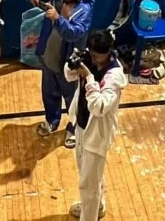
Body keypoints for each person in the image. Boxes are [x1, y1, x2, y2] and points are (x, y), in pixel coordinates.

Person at [29, 0, 94, 148]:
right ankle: (52, 121)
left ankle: (74, 129)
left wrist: (58, 19)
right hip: (49, 55)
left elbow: (75, 33)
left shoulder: (85, 9)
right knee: (49, 93)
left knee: (73, 99)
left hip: (69, 63)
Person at [67, 29, 127, 220]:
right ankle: (97, 207)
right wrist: (74, 63)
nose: (94, 61)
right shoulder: (88, 60)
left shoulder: (114, 75)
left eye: (97, 57)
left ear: (108, 52)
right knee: (88, 175)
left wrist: (89, 78)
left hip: (97, 134)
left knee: (88, 186)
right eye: (92, 55)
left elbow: (99, 107)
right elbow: (68, 75)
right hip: (81, 125)